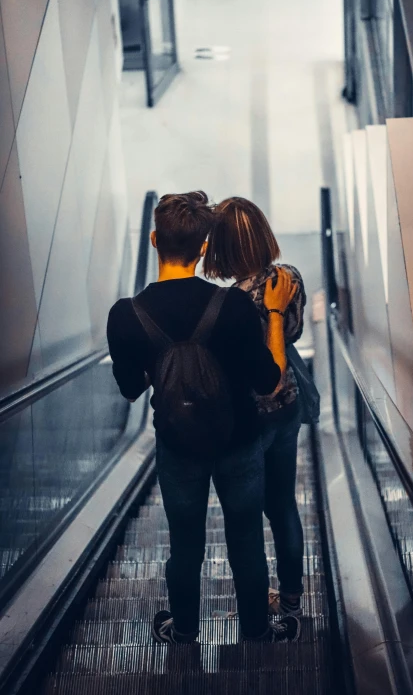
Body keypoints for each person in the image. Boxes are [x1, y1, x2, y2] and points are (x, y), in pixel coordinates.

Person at [107, 192, 300, 644]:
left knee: (186, 545)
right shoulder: (231, 306)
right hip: (240, 443)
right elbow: (270, 380)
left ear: (154, 240)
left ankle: (185, 630)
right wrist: (272, 314)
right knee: (246, 538)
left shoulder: (127, 315)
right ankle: (257, 630)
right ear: (202, 249)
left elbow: (131, 388)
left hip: (178, 448)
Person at [205, 197, 305, 618]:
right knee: (283, 505)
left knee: (246, 517)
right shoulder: (289, 277)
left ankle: (255, 606)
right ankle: (292, 598)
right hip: (288, 406)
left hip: (251, 417)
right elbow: (293, 333)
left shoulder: (231, 303)